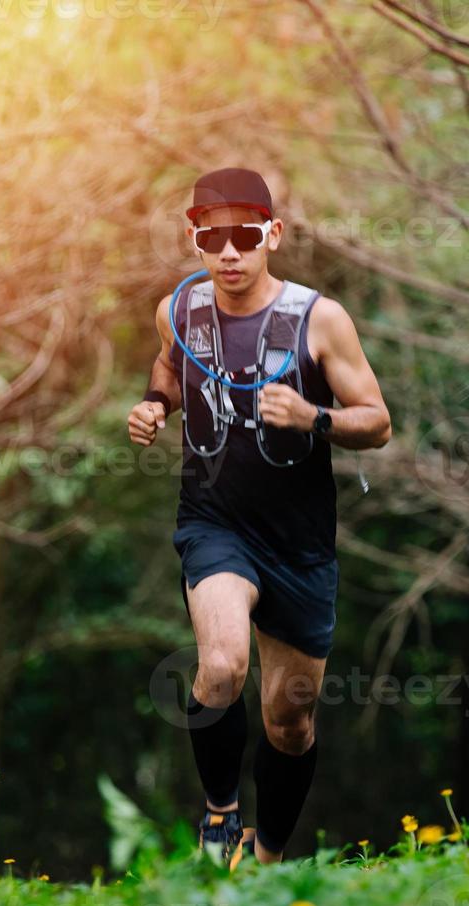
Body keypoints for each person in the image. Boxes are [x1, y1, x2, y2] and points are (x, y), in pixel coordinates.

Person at [127, 168, 391, 870]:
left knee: (290, 719)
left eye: (245, 235)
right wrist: (156, 405)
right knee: (219, 667)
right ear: (196, 240)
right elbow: (168, 366)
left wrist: (313, 416)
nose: (230, 252)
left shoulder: (318, 318)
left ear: (272, 235)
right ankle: (219, 819)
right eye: (212, 237)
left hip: (300, 545)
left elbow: (379, 423)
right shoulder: (178, 310)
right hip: (214, 523)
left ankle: (267, 856)